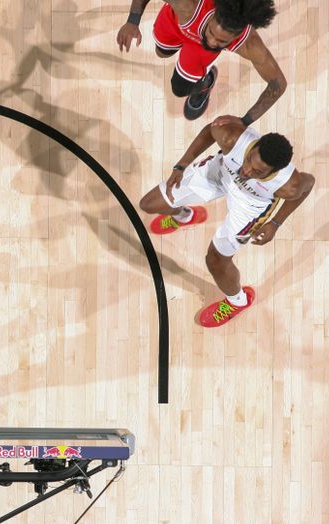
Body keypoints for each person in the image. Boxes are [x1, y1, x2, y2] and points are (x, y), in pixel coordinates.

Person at [138, 116, 314, 327]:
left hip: (250, 205)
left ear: (272, 172)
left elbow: (307, 186)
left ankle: (238, 300)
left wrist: (275, 223)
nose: (247, 171)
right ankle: (185, 216)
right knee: (150, 204)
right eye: (249, 160)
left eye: (258, 172)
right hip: (220, 173)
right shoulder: (232, 138)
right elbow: (208, 131)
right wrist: (181, 165)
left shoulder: (289, 185)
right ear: (254, 146)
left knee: (215, 261)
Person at [116, 0, 285, 122]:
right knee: (162, 53)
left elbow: (278, 84)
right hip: (175, 22)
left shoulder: (249, 44)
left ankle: (205, 84)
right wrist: (132, 21)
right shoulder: (188, 5)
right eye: (211, 32)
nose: (212, 41)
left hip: (199, 50)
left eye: (221, 42)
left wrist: (244, 122)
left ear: (236, 36)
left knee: (179, 89)